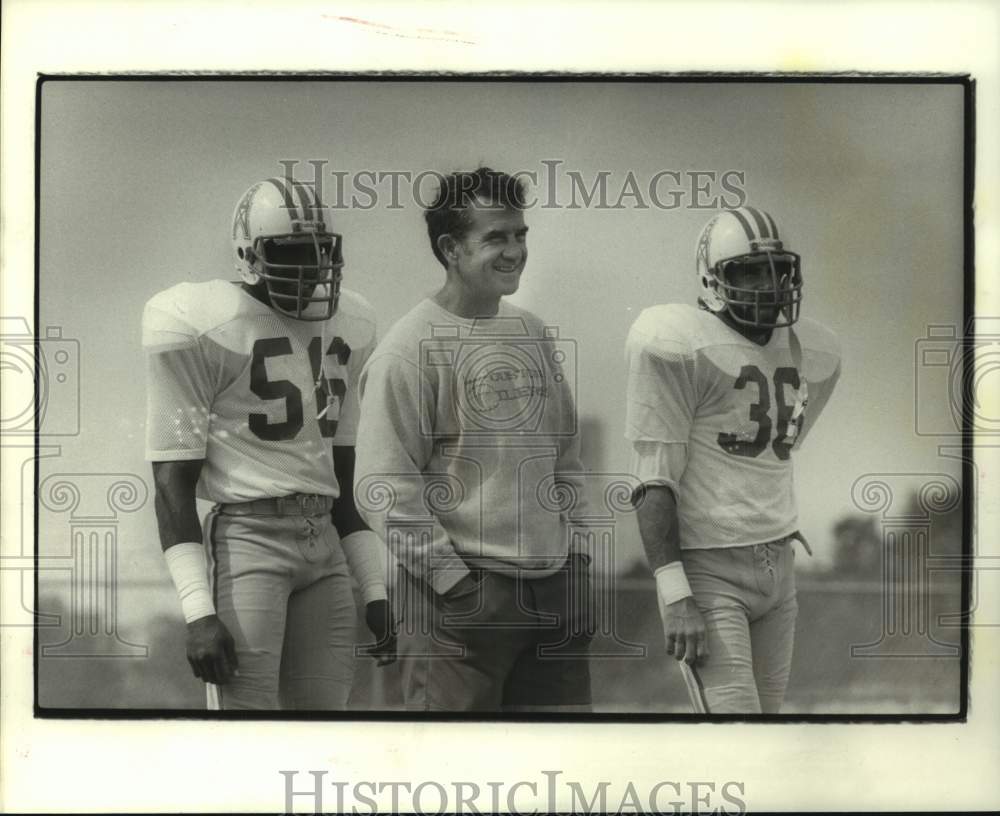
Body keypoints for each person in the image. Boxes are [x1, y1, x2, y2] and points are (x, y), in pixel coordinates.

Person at [143, 176, 394, 710]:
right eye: (293, 251)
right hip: (248, 540)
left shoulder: (352, 324)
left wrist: (374, 589)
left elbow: (341, 484)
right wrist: (197, 611)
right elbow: (171, 482)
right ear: (248, 254)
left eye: (322, 251)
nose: (313, 267)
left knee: (324, 728)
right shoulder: (202, 323)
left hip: (324, 544)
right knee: (245, 732)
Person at [354, 167, 593, 712]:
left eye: (520, 235)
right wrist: (458, 585)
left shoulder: (531, 332)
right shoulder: (406, 349)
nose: (514, 252)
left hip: (551, 591)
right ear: (451, 248)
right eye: (495, 238)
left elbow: (567, 458)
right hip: (458, 602)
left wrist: (576, 561)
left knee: (556, 770)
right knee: (455, 772)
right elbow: (382, 487)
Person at [625, 206, 841, 714]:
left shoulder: (816, 350)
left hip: (778, 567)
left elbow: (774, 446)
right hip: (709, 569)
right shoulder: (677, 342)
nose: (768, 285)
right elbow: (654, 480)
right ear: (713, 279)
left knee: (764, 730)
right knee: (736, 734)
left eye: (777, 271)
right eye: (749, 271)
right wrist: (675, 592)